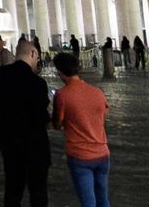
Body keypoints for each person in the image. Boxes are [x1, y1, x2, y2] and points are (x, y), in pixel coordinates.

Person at [0, 38, 50, 207]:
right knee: (38, 192)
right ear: (32, 53)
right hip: (34, 144)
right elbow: (42, 116)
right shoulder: (38, 83)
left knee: (12, 191)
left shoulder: (0, 74)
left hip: (8, 141)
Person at [52, 51, 110, 207]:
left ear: (60, 72)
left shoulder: (62, 95)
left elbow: (57, 124)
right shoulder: (98, 92)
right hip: (102, 153)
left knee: (88, 202)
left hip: (79, 156)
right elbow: (102, 117)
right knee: (103, 199)